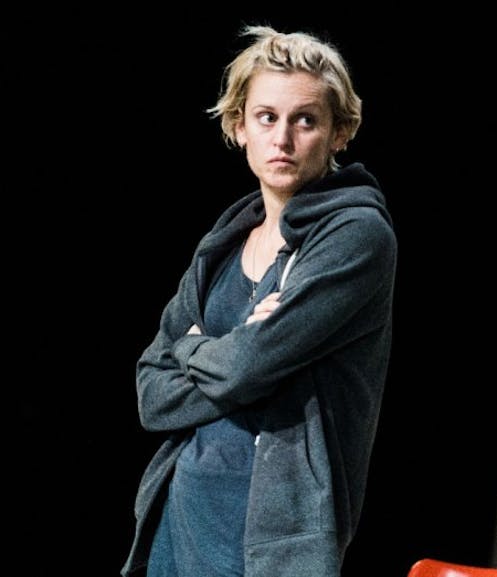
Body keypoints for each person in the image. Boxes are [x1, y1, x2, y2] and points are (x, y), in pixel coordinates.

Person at [120, 25, 397, 577]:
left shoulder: (356, 234)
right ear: (238, 127)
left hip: (271, 539)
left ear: (340, 132)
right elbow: (151, 392)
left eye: (306, 120)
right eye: (267, 117)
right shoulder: (225, 242)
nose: (283, 139)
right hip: (179, 518)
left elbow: (247, 366)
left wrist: (194, 349)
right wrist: (237, 351)